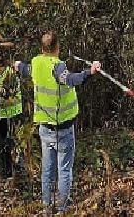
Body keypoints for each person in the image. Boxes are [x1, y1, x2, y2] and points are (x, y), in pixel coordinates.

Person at [14, 31, 100, 213]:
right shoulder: (57, 67)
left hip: (45, 128)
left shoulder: (36, 63)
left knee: (47, 169)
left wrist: (17, 65)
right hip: (63, 129)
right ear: (57, 47)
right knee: (64, 170)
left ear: (42, 47)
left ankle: (46, 206)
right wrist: (90, 72)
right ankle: (61, 208)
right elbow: (71, 79)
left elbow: (25, 69)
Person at [0, 58, 23, 179]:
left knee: (14, 144)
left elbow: (9, 95)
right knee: (2, 145)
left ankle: (19, 173)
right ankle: (5, 173)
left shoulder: (10, 75)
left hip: (13, 114)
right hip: (0, 116)